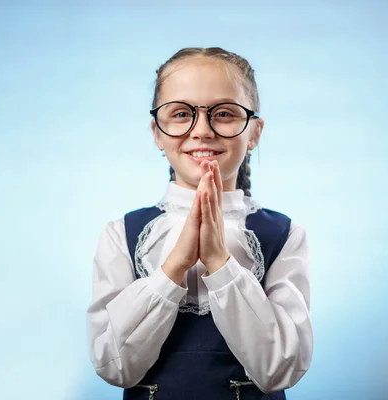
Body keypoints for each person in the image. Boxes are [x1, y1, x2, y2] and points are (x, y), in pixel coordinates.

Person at [86, 47, 313, 400]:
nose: (202, 130)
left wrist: (221, 263)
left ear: (254, 132)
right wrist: (174, 266)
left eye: (223, 113)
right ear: (157, 133)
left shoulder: (283, 235)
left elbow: (279, 370)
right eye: (180, 113)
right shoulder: (122, 235)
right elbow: (114, 367)